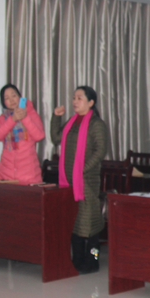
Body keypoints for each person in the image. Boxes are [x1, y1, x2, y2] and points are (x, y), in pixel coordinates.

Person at [51, 86, 108, 274]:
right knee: (75, 224)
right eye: (74, 97)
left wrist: (82, 169)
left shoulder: (96, 124)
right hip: (69, 181)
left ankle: (93, 260)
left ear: (91, 102)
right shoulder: (72, 121)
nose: (75, 101)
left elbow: (100, 151)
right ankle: (77, 260)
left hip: (87, 181)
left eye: (79, 98)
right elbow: (56, 138)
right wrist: (56, 117)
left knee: (91, 226)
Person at [0, 84, 45, 184]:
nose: (11, 100)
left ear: (20, 97)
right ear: (3, 102)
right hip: (5, 175)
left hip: (29, 175)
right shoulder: (2, 118)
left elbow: (39, 136)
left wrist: (24, 118)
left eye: (14, 95)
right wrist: (12, 119)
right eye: (7, 98)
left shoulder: (31, 114)